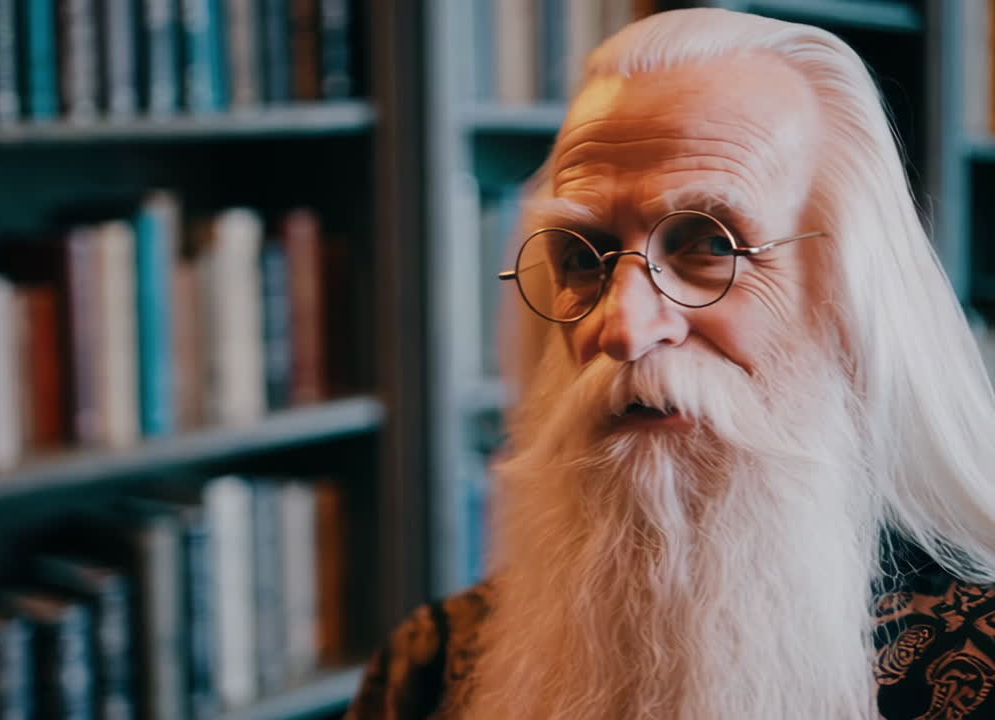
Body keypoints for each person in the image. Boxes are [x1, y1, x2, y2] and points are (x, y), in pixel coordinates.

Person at [345, 7, 995, 720]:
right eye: (581, 257)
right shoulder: (430, 670)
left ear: (848, 298)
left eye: (709, 244)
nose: (622, 327)